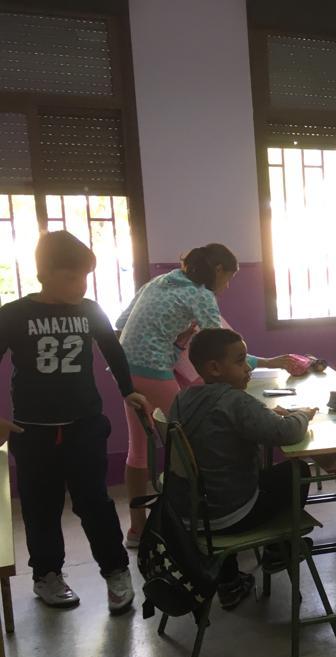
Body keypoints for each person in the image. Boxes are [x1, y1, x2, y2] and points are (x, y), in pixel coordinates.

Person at [116, 244, 304, 546]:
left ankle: (137, 530)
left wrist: (174, 337)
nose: (226, 287)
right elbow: (223, 350)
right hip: (153, 367)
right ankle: (205, 515)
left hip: (125, 368)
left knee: (138, 450)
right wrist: (267, 363)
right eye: (228, 278)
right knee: (190, 441)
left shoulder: (160, 281)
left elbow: (121, 323)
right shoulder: (200, 294)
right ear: (218, 270)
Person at [0, 231, 146, 611]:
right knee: (40, 507)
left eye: (84, 277)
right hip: (33, 431)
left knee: (95, 502)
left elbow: (112, 349)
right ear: (44, 274)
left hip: (85, 425)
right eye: (70, 277)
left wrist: (128, 390)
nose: (80, 285)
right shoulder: (13, 314)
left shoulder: (89, 310)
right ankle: (47, 575)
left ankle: (116, 571)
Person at [167, 328, 317, 608]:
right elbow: (286, 433)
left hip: (193, 511)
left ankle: (230, 583)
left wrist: (265, 416)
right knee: (297, 471)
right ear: (214, 368)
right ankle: (278, 550)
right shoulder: (235, 400)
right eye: (240, 361)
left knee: (222, 480)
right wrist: (302, 415)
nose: (248, 368)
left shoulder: (182, 398)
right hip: (231, 515)